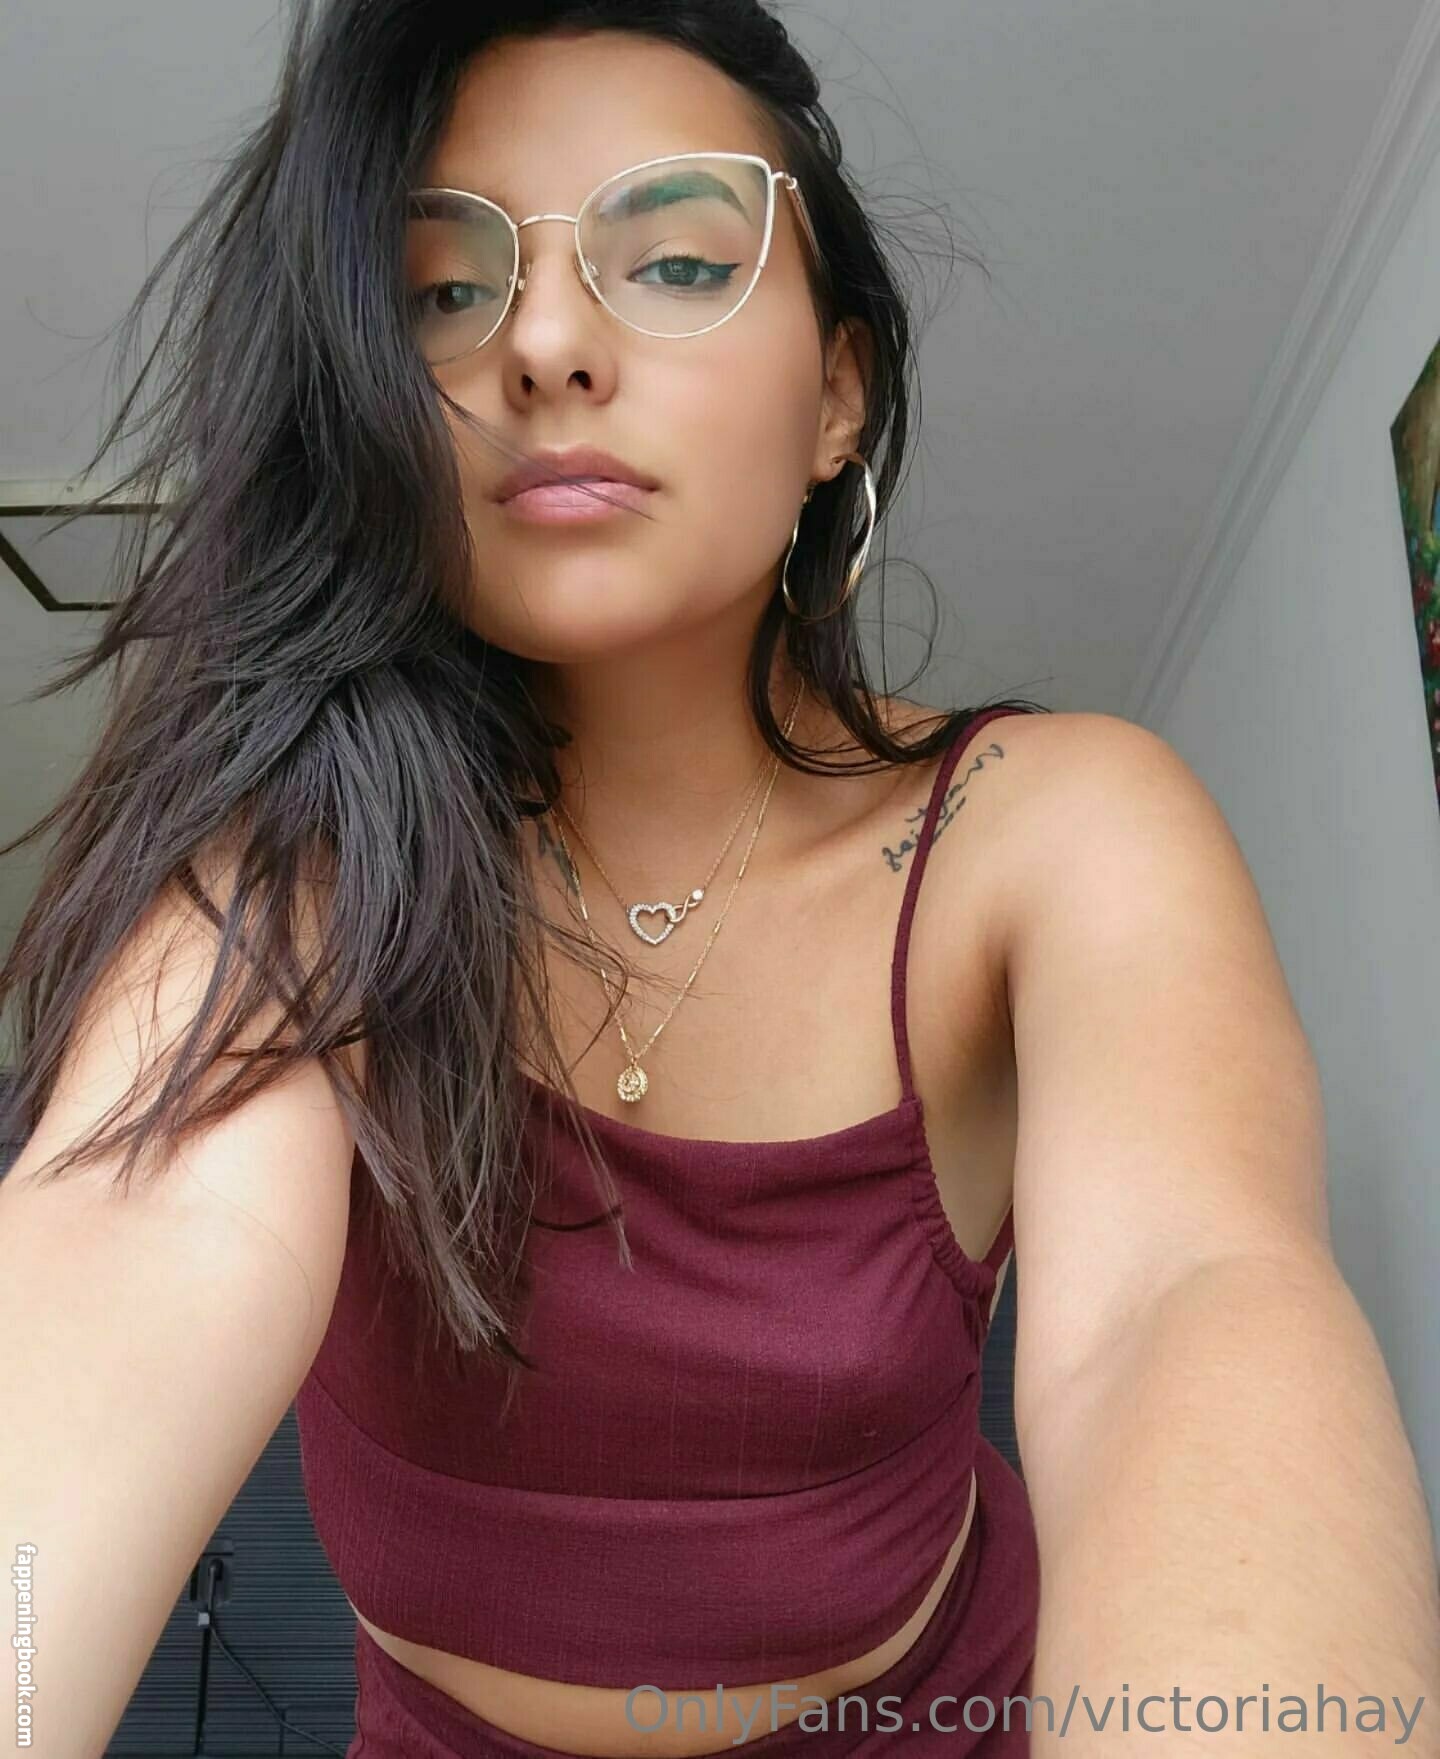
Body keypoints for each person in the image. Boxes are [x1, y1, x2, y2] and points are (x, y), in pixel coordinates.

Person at [3, 3, 1437, 1758]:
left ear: (838, 394)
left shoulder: (1047, 833)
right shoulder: (296, 878)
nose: (543, 342)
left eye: (677, 261)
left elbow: (1187, 1306)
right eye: (445, 290)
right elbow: (130, 1245)